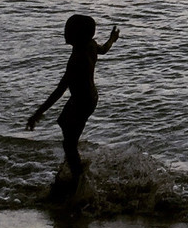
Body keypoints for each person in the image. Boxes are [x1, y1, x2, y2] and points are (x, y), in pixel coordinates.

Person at [27, 14, 119, 190]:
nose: (65, 32)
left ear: (78, 35)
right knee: (63, 123)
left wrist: (38, 113)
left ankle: (79, 180)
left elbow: (60, 89)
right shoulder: (90, 45)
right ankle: (75, 166)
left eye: (68, 29)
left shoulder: (77, 58)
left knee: (68, 142)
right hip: (87, 97)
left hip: (82, 101)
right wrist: (112, 39)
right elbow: (104, 49)